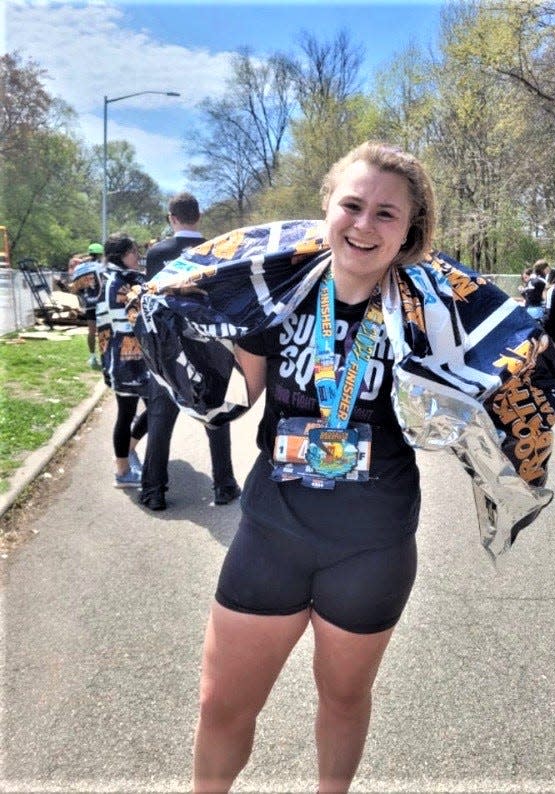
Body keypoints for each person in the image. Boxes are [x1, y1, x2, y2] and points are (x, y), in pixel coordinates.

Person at [191, 143, 435, 792]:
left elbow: (471, 405)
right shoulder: (274, 294)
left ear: (409, 231)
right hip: (274, 530)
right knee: (221, 704)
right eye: (352, 205)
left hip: (372, 545)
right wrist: (187, 343)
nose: (364, 224)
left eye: (387, 214)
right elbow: (234, 396)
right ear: (326, 207)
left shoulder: (431, 315)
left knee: (345, 699)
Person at [139, 192, 240, 512]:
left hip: (169, 348)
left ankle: (154, 490)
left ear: (172, 218)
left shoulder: (157, 253)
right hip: (210, 347)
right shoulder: (221, 250)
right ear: (199, 216)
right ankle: (224, 485)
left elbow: (151, 303)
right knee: (216, 415)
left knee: (160, 417)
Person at [96, 233, 149, 487]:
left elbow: (102, 326)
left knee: (138, 412)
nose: (137, 256)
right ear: (121, 256)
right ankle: (122, 471)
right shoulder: (123, 282)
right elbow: (137, 320)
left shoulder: (113, 280)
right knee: (140, 412)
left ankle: (127, 455)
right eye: (132, 251)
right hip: (132, 361)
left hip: (124, 361)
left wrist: (105, 361)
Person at [69, 242, 105, 369]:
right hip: (102, 302)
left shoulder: (79, 269)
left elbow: (74, 288)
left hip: (89, 304)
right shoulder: (101, 266)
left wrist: (83, 297)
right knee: (104, 331)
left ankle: (92, 356)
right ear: (100, 254)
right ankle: (105, 357)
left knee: (91, 332)